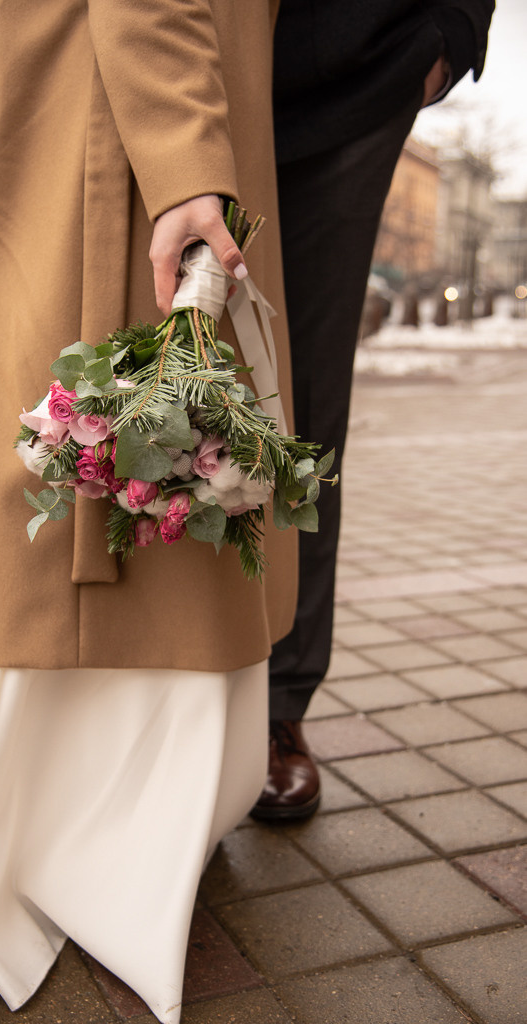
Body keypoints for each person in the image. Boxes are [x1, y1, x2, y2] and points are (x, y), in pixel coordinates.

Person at [0, 3, 298, 1024]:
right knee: (121, 437)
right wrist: (184, 151)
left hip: (104, 91)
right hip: (130, 105)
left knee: (103, 437)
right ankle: (91, 845)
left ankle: (79, 826)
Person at [252, 0, 495, 822]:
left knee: (306, 409)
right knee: (161, 377)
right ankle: (160, 686)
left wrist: (452, 32)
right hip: (201, 55)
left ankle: (281, 706)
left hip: (360, 67)